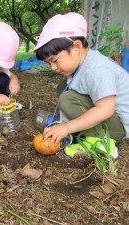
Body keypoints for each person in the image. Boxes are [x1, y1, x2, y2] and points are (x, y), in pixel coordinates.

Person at [34, 12, 129, 147]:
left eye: (54, 61)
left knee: (67, 99)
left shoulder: (98, 70)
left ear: (77, 47)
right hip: (111, 116)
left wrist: (66, 128)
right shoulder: (83, 63)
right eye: (49, 64)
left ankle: (90, 137)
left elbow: (105, 110)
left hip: (120, 127)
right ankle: (80, 127)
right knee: (63, 88)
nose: (53, 68)